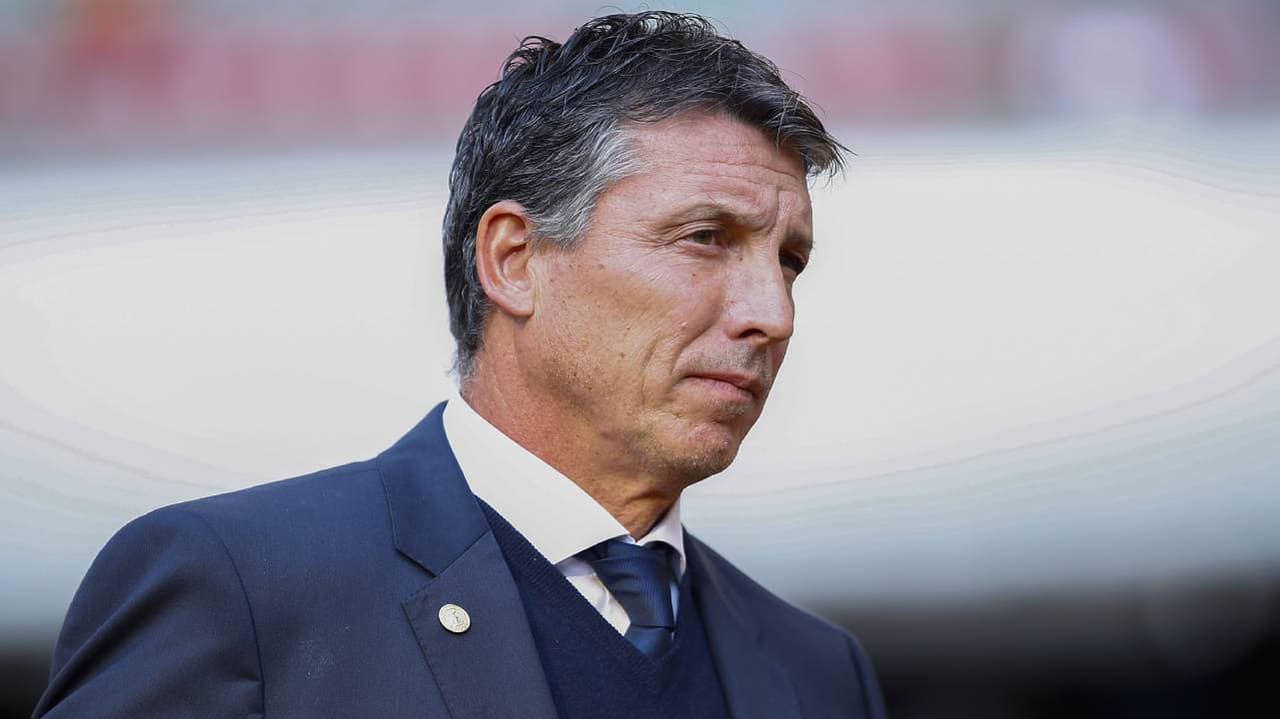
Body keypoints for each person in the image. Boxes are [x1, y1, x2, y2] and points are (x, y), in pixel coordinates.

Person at [34, 12, 886, 719]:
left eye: (789, 262)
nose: (772, 314)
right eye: (705, 237)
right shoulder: (240, 594)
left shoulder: (821, 674)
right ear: (514, 260)